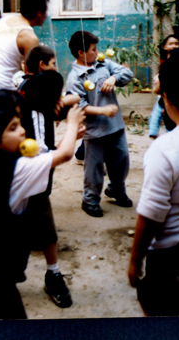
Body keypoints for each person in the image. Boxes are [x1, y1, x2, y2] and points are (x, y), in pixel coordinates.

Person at [0, 89, 85, 320]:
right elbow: (63, 155)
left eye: (19, 123)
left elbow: (50, 158)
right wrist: (72, 122)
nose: (22, 131)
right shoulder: (15, 168)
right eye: (12, 128)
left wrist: (70, 137)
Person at [128, 49, 179, 316]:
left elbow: (151, 214)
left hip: (173, 261)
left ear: (165, 99)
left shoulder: (165, 148)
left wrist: (135, 259)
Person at [18, 70, 84, 308]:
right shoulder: (33, 113)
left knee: (46, 228)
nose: (61, 99)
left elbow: (45, 149)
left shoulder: (43, 109)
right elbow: (51, 155)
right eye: (58, 95)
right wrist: (71, 132)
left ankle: (53, 273)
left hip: (35, 182)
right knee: (16, 235)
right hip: (22, 183)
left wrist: (68, 138)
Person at [66, 31, 134, 218]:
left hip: (116, 126)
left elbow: (127, 73)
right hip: (95, 131)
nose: (97, 53)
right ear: (81, 53)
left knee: (121, 161)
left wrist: (114, 78)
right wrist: (102, 111)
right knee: (94, 169)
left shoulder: (104, 64)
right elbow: (79, 105)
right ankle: (90, 200)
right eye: (94, 50)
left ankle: (116, 190)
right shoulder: (75, 78)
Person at [148, 34, 179, 139]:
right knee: (157, 112)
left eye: (177, 43)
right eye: (171, 44)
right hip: (164, 93)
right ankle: (153, 132)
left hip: (174, 93)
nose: (174, 46)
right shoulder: (163, 60)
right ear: (164, 47)